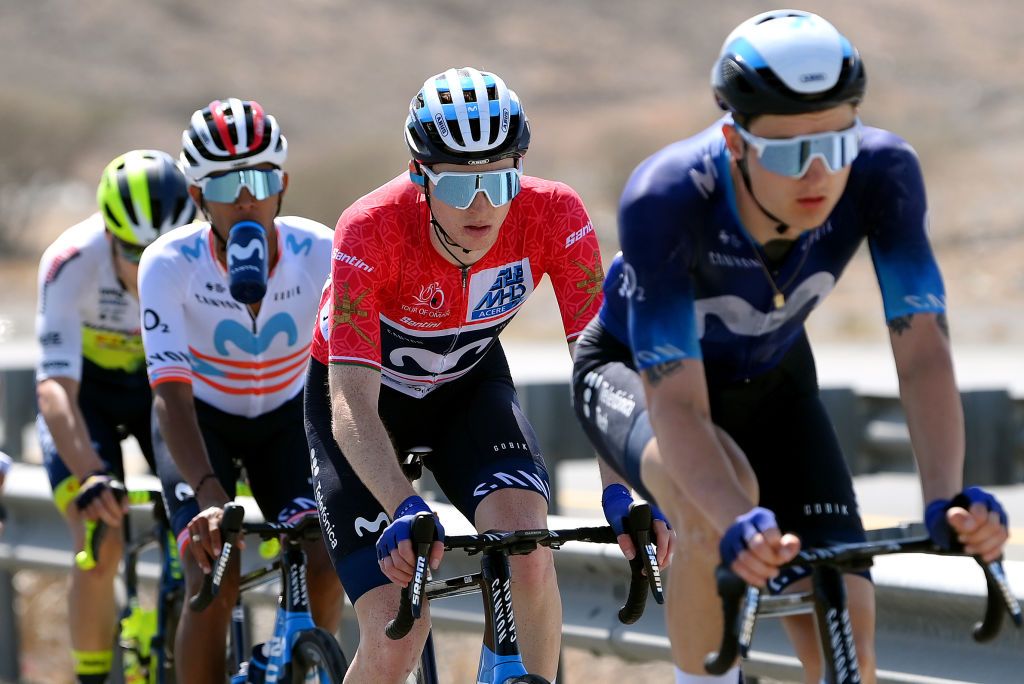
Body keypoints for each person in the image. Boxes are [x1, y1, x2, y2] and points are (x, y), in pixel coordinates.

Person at [570, 10, 1010, 684]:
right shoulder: (666, 197)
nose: (816, 175)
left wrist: (946, 500)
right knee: (716, 506)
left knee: (846, 629)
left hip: (773, 379)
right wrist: (735, 520)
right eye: (787, 151)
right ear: (734, 140)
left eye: (836, 145)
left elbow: (921, 354)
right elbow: (680, 408)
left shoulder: (884, 171)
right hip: (638, 379)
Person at [303, 66, 621, 683]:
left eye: (499, 181)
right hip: (364, 414)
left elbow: (602, 367)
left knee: (527, 550)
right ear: (421, 175)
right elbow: (350, 404)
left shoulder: (555, 214)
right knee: (399, 629)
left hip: (467, 391)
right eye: (456, 187)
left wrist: (620, 488)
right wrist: (402, 503)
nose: (480, 206)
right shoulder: (370, 230)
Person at [138, 98, 342, 684]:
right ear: (198, 195)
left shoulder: (322, 250)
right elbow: (170, 396)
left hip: (286, 418)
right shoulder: (167, 263)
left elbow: (351, 371)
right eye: (227, 182)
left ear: (283, 184)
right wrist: (206, 496)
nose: (247, 197)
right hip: (201, 422)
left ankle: (305, 661)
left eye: (260, 178)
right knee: (212, 570)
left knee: (326, 558)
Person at [35, 150, 195, 684]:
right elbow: (56, 387)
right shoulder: (70, 261)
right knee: (99, 538)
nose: (145, 266)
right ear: (108, 234)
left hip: (159, 390)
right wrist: (91, 473)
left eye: (158, 252)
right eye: (132, 251)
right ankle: (92, 677)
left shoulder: (200, 260)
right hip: (89, 397)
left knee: (204, 526)